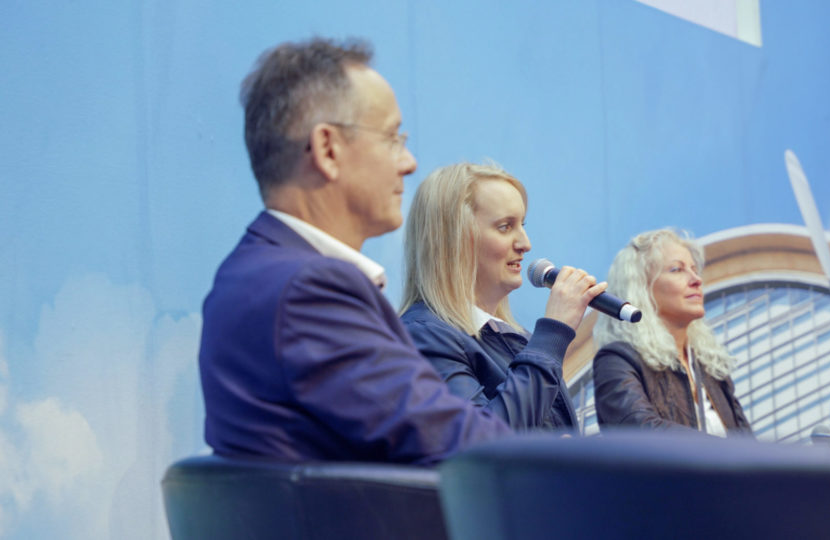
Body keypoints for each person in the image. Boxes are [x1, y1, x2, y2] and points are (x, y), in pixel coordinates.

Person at [198, 38, 512, 465]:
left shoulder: (254, 273)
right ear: (327, 149)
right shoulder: (309, 291)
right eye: (392, 138)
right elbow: (464, 449)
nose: (410, 162)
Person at [399, 163, 606, 432]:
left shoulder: (515, 337)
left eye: (522, 224)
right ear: (455, 239)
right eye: (505, 227)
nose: (525, 243)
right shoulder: (425, 336)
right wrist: (554, 331)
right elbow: (482, 441)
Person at [592, 228, 751, 436]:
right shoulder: (617, 360)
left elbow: (748, 446)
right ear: (641, 288)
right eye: (677, 270)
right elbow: (645, 436)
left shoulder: (707, 364)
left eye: (695, 269)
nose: (696, 280)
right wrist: (729, 454)